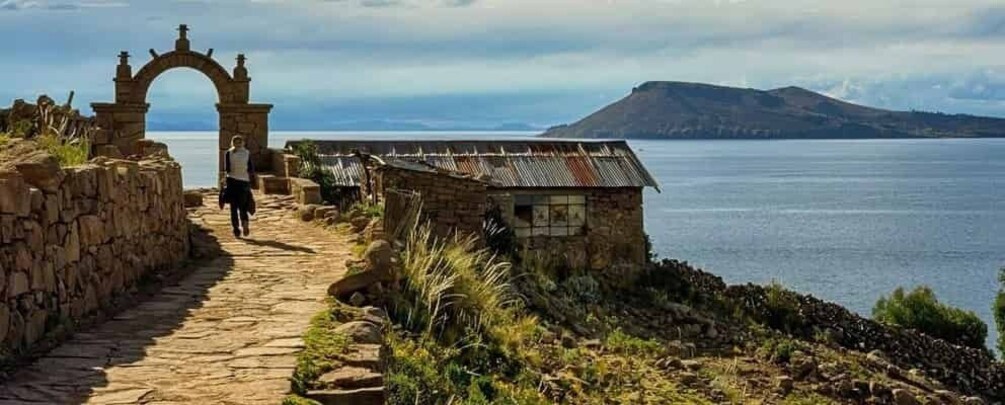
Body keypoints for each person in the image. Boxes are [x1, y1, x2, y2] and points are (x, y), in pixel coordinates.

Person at [223, 135, 255, 238]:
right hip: (244, 182)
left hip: (232, 182)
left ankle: (236, 229)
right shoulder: (247, 153)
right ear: (242, 143)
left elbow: (227, 169)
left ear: (232, 143)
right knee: (243, 207)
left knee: (233, 208)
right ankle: (245, 223)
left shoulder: (229, 153)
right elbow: (250, 169)